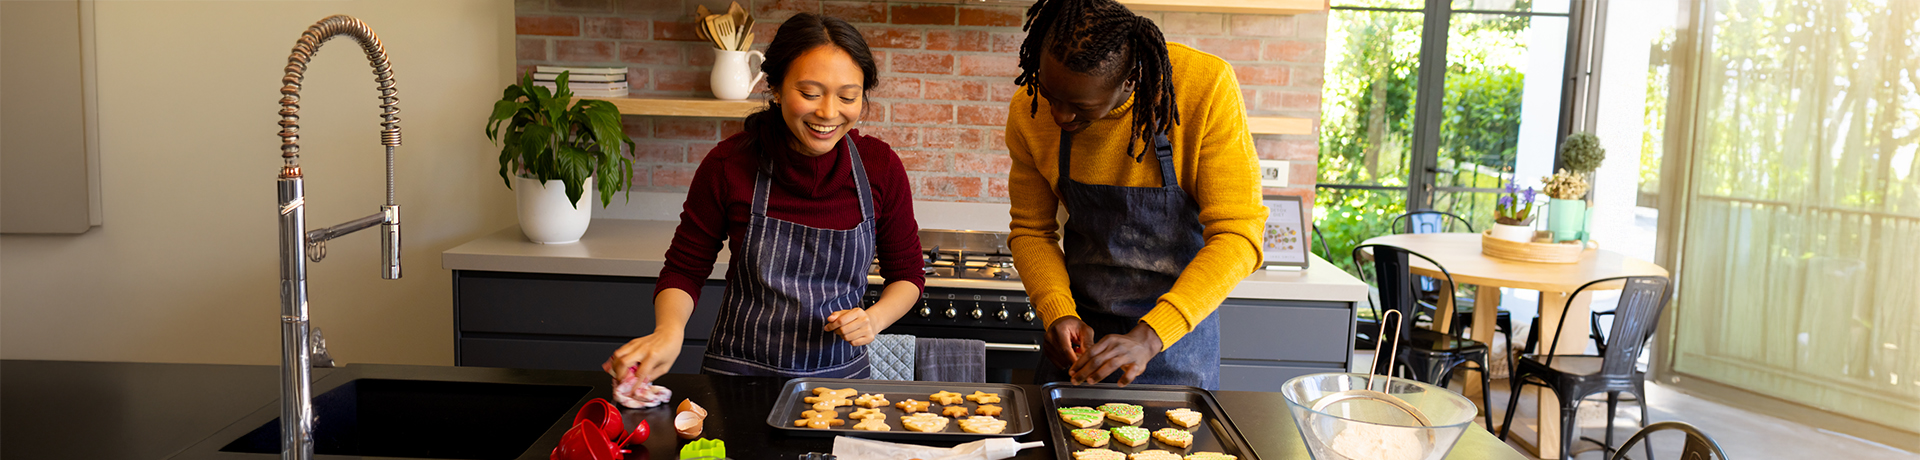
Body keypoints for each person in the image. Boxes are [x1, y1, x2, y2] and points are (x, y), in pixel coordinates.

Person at [604, 13, 923, 382]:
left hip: (839, 385)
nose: (829, 112)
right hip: (738, 379)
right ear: (775, 88)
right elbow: (684, 269)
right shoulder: (729, 164)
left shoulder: (879, 167)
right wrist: (668, 331)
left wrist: (873, 318)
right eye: (810, 93)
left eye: (848, 97)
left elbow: (908, 275)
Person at [1004, 0, 1266, 389]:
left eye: (1080, 106)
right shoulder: (1031, 108)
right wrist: (1058, 312)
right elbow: (1031, 230)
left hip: (1177, 344)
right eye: (1050, 95)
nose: (1058, 115)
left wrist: (1150, 336)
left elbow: (1238, 235)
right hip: (1079, 347)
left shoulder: (1204, 87)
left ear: (1130, 81)